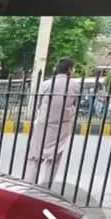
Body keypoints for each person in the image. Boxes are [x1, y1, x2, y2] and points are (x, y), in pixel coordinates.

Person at [26, 57, 79, 187]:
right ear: (70, 69)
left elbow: (38, 105)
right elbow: (75, 105)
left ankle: (29, 185)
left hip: (43, 125)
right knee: (54, 159)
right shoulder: (74, 85)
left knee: (35, 158)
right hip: (61, 126)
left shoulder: (46, 84)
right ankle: (46, 187)